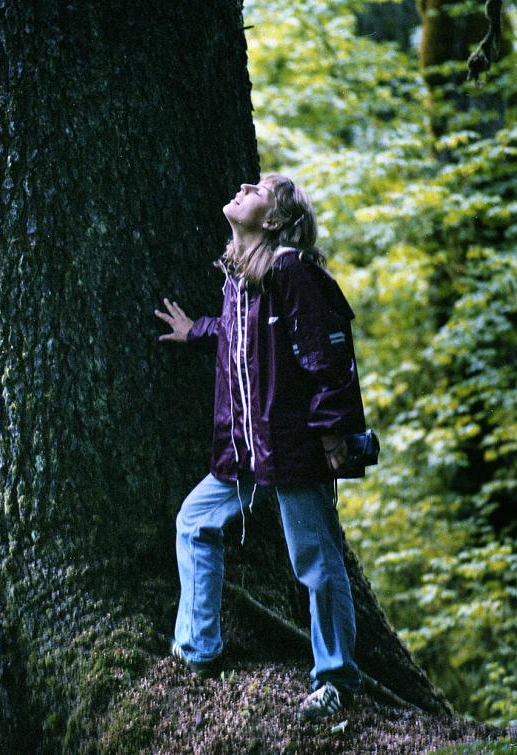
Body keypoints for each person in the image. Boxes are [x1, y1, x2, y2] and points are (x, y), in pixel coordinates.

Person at [153, 173, 367, 721]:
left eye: (260, 190)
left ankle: (336, 679)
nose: (246, 185)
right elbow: (235, 333)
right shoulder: (239, 277)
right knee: (195, 522)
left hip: (292, 449)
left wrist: (335, 433)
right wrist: (195, 331)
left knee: (316, 562)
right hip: (244, 451)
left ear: (271, 221)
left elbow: (327, 356)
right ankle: (197, 649)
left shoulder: (290, 270)